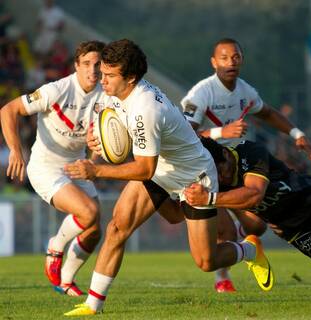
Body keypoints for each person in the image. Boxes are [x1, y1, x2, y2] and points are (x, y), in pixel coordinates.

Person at [63, 39, 274, 316]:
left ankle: (248, 250)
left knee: (206, 261)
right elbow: (114, 130)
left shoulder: (146, 109)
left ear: (131, 78)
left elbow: (143, 170)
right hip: (162, 168)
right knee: (118, 227)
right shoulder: (114, 92)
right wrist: (97, 139)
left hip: (194, 175)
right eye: (102, 72)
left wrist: (97, 170)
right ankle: (93, 306)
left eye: (109, 75)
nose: (102, 80)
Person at [181, 38, 311, 292]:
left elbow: (267, 113)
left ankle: (245, 248)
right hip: (207, 170)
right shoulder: (202, 93)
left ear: (242, 60)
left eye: (235, 57)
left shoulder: (245, 91)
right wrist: (223, 132)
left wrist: (297, 133)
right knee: (224, 230)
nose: (230, 62)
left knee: (256, 225)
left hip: (242, 165)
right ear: (213, 62)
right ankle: (222, 279)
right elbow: (185, 136)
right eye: (224, 57)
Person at [0, 40, 109, 296]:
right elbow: (8, 109)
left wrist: (94, 159)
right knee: (89, 211)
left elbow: (104, 138)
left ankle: (66, 280)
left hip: (77, 165)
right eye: (86, 64)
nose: (92, 70)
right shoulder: (57, 90)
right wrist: (16, 150)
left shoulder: (107, 95)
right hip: (45, 166)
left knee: (94, 230)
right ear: (76, 66)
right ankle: (56, 245)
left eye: (98, 64)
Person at [184, 137, 311, 264]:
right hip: (294, 230)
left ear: (225, 153)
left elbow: (255, 194)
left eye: (220, 170)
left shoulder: (249, 152)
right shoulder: (211, 181)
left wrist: (208, 199)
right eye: (214, 174)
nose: (219, 179)